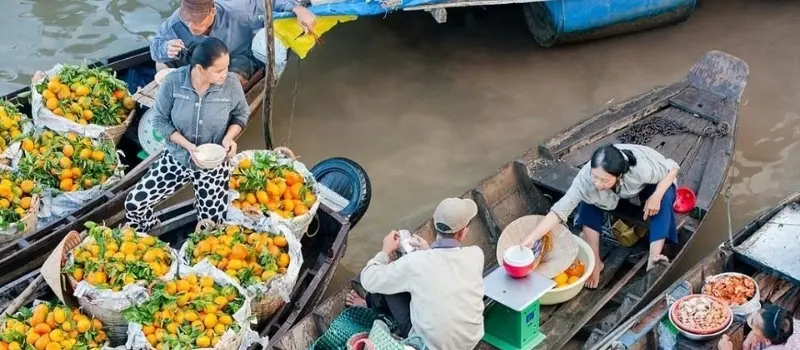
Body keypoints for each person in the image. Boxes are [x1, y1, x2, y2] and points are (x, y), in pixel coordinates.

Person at [125, 37, 247, 233]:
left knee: (211, 223)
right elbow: (159, 120)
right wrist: (188, 146)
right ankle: (149, 233)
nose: (225, 74)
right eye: (219, 70)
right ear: (199, 69)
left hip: (213, 163)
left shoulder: (231, 84)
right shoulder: (173, 82)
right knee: (134, 204)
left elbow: (241, 114)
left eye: (227, 68)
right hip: (177, 158)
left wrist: (228, 138)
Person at [523, 144, 680, 289]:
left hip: (650, 184)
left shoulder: (640, 169)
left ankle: (654, 257)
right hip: (613, 195)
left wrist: (656, 196)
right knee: (587, 203)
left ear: (619, 176)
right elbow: (559, 211)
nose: (597, 183)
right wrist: (533, 237)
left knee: (665, 198)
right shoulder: (586, 179)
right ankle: (595, 261)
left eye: (604, 179)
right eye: (595, 176)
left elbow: (673, 168)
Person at [345, 198, 485, 350]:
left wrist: (385, 251)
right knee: (417, 282)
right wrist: (428, 251)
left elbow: (368, 279)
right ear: (463, 232)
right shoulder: (476, 255)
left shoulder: (416, 262)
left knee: (389, 279)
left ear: (434, 225)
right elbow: (446, 265)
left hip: (428, 346)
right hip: (470, 343)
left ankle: (370, 306)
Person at [151, 0, 316, 85]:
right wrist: (165, 48)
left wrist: (297, 9)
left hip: (236, 56)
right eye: (187, 21)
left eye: (198, 22)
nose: (191, 27)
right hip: (199, 58)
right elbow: (155, 47)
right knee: (161, 63)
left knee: (232, 81)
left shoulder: (239, 10)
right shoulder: (175, 22)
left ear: (212, 12)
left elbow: (271, 2)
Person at [717, 305, 798, 350]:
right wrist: (754, 333)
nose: (753, 328)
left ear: (767, 340)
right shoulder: (785, 321)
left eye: (755, 326)